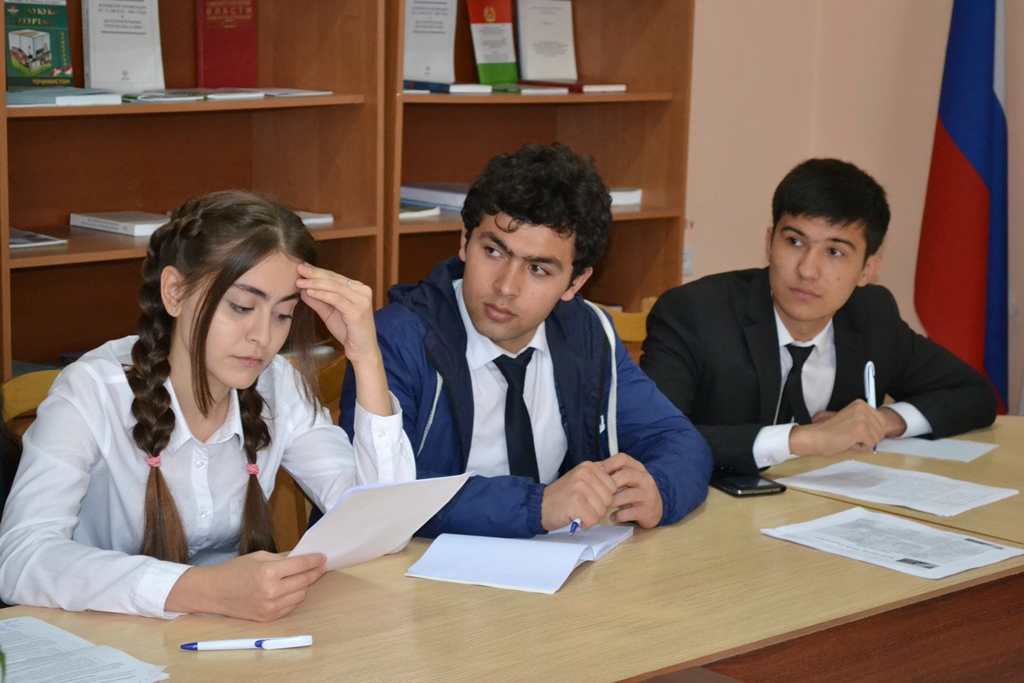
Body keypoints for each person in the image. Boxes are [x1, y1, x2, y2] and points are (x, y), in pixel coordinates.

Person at [0, 190, 415, 620]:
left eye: (282, 314)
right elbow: (20, 558)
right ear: (175, 292)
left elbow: (383, 529)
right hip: (107, 636)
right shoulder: (92, 390)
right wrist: (201, 589)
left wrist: (366, 355)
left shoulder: (279, 385)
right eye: (241, 306)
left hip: (230, 636)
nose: (263, 337)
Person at [331, 143, 712, 538]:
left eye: (538, 269)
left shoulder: (586, 333)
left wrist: (659, 490)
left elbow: (680, 441)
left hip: (550, 567)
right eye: (494, 251)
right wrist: (537, 506)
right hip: (410, 565)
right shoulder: (396, 339)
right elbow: (383, 493)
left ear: (575, 282)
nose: (506, 287)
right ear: (464, 241)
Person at [641, 158, 998, 475]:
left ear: (868, 269)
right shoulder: (693, 314)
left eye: (834, 252)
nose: (807, 270)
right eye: (794, 242)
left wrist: (883, 421)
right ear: (769, 243)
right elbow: (653, 437)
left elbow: (974, 394)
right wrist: (804, 439)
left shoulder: (872, 316)